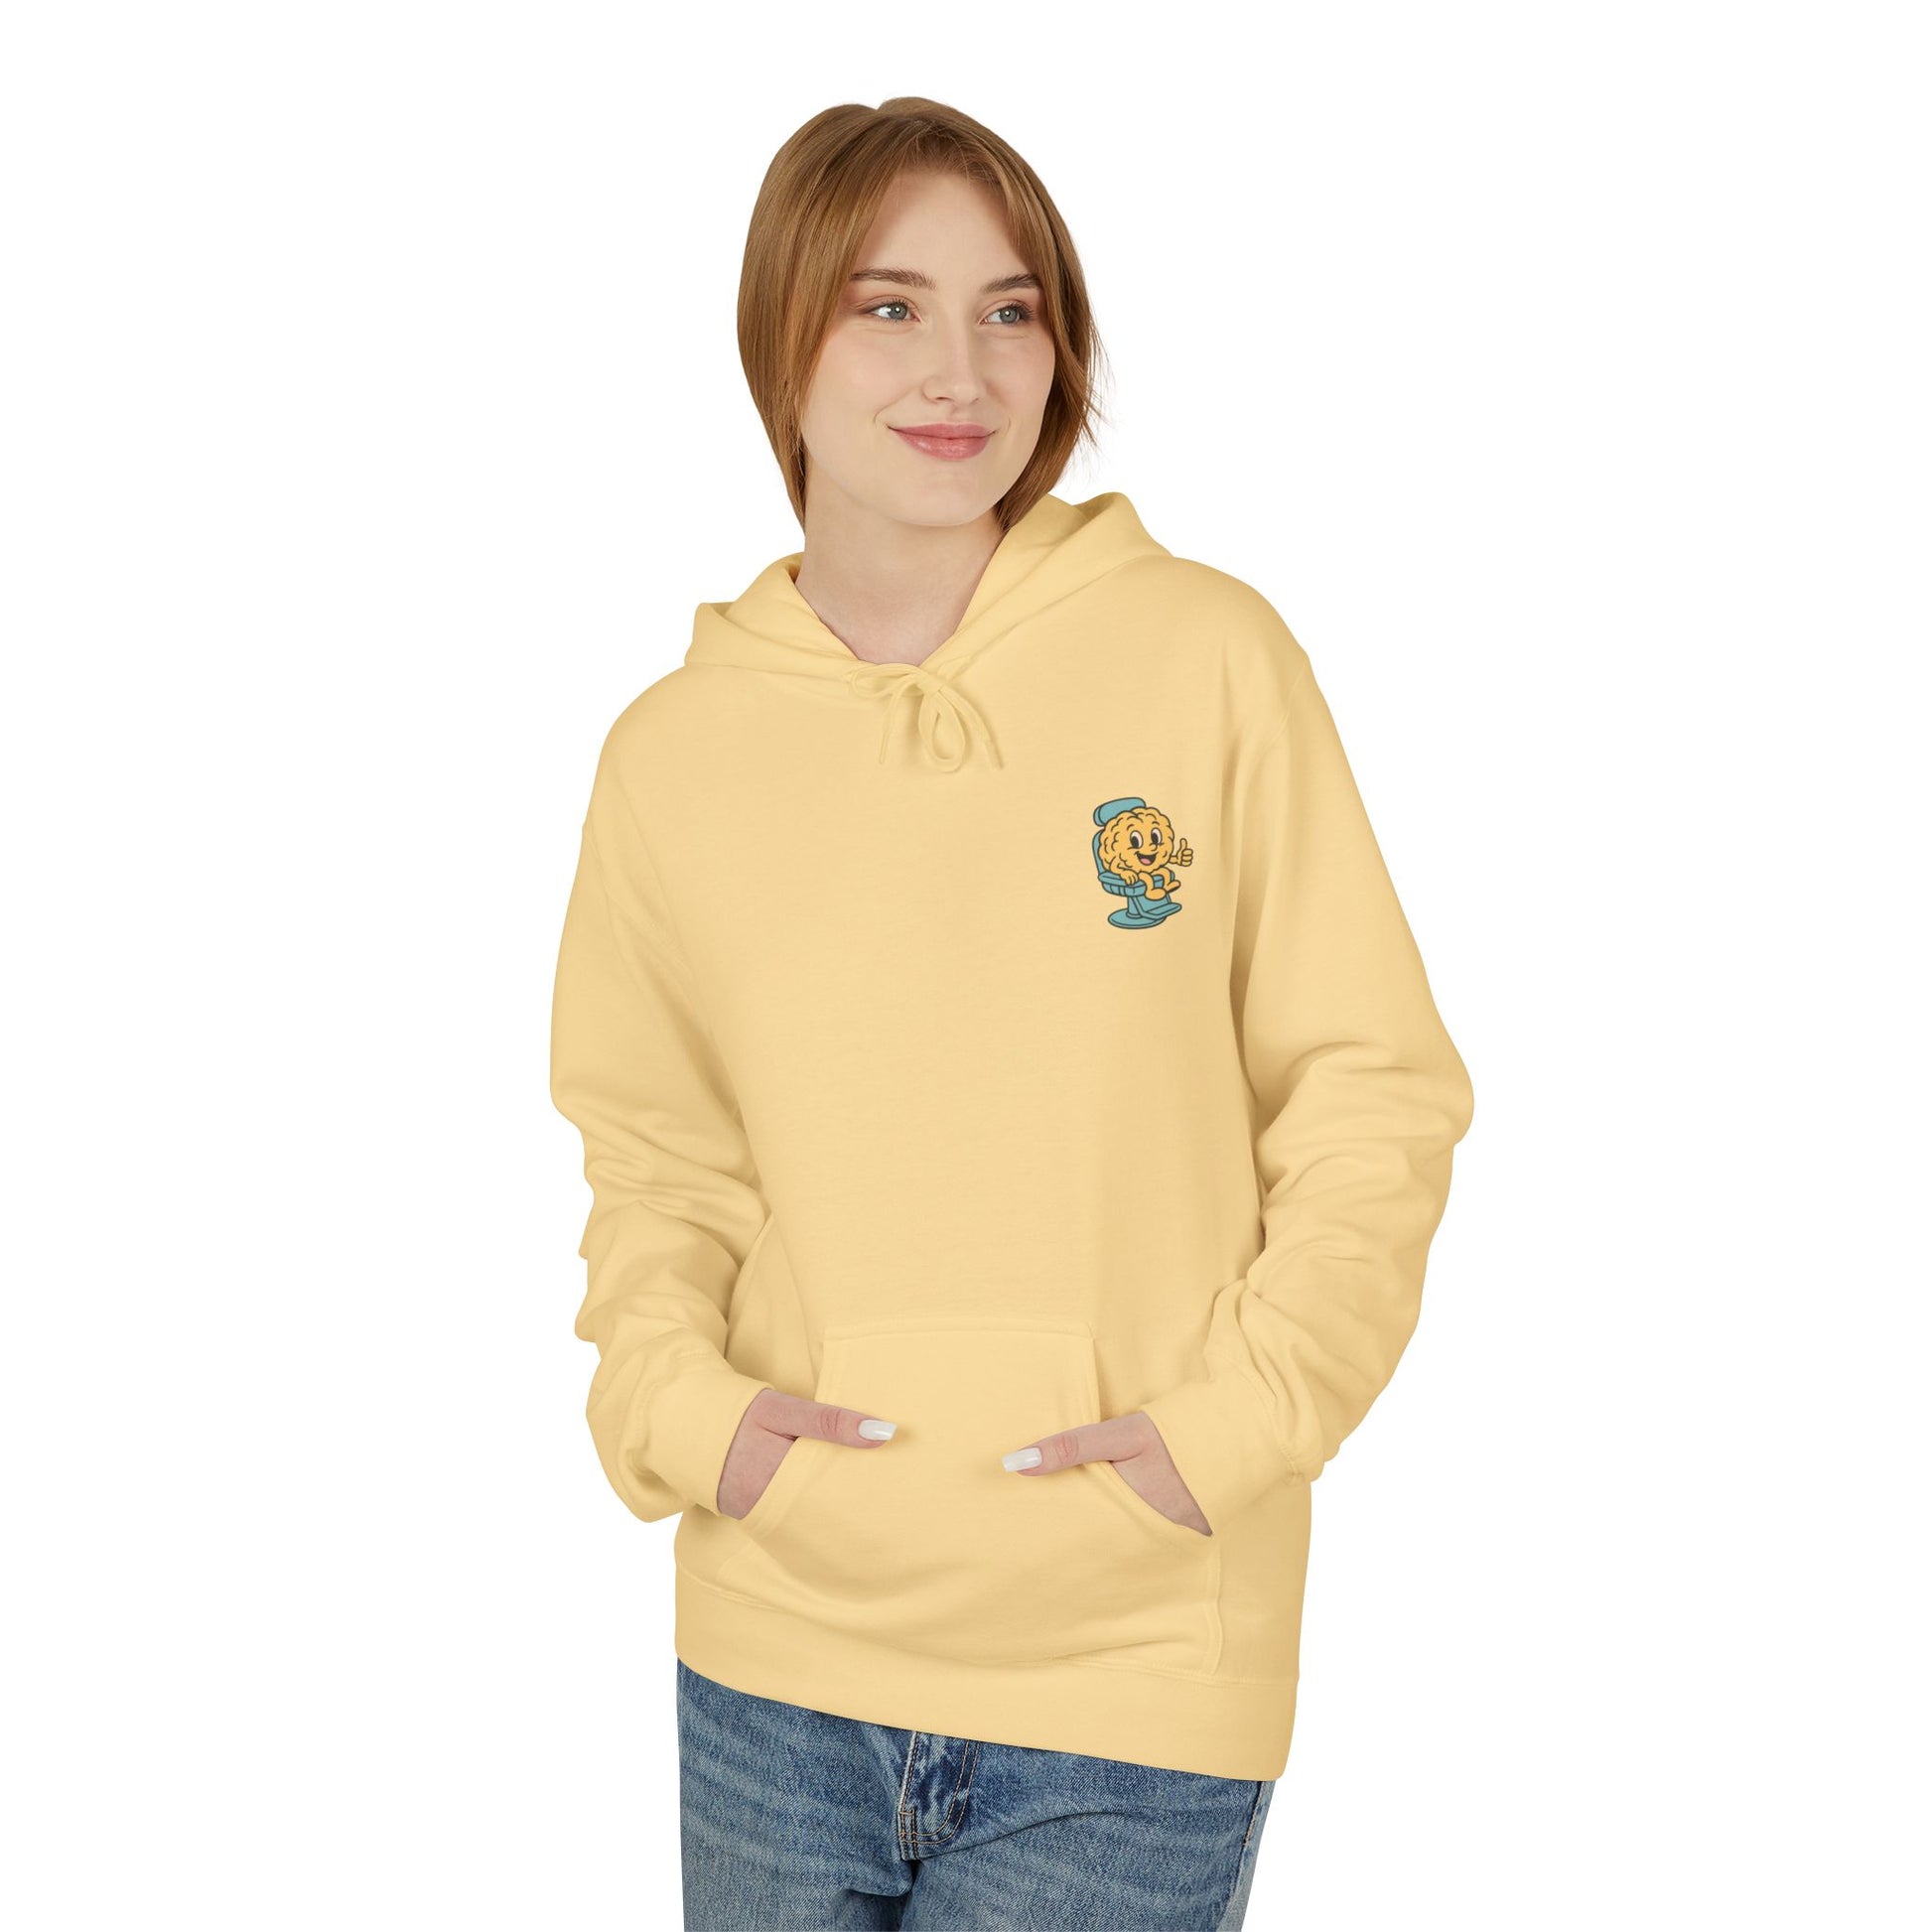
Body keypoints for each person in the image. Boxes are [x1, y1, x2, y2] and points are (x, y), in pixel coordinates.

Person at [549, 96, 1475, 1931]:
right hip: (775, 1648)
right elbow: (656, 1154)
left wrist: (1235, 1426)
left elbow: (1371, 1092)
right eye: (886, 306)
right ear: (780, 338)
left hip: (1132, 1661)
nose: (957, 370)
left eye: (1012, 309)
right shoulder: (672, 752)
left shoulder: (1206, 656)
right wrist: (685, 1413)